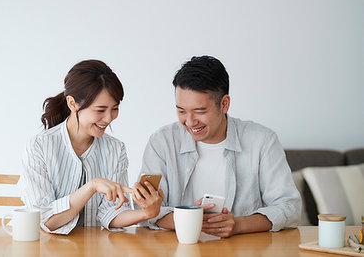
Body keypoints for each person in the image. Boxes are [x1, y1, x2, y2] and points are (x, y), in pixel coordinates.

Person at [138, 56, 301, 237]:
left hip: (242, 249)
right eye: (181, 111)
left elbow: (289, 207)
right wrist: (190, 220)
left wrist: (238, 225)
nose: (190, 122)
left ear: (224, 104)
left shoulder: (263, 141)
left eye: (200, 111)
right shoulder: (162, 142)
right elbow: (143, 209)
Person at [18, 59, 164, 234]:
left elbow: (111, 212)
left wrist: (146, 213)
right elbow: (45, 220)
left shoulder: (116, 150)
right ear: (72, 103)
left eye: (115, 108)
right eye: (100, 110)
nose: (109, 118)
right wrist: (92, 186)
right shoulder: (39, 146)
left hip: (95, 249)